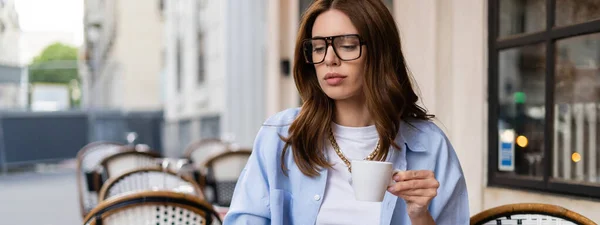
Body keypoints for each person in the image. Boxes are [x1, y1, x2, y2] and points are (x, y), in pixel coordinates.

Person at [223, 0, 469, 224]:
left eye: (348, 46)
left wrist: (419, 215)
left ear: (380, 53)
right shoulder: (280, 136)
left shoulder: (430, 145)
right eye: (318, 48)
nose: (330, 59)